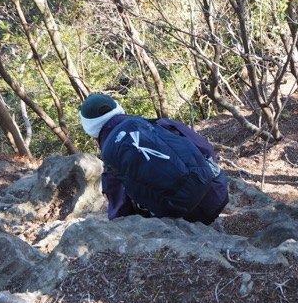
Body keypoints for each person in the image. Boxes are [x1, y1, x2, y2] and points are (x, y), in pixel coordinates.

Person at [80, 93, 229, 224]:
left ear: (90, 129)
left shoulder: (111, 161)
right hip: (217, 193)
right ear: (118, 109)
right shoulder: (156, 124)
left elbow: (120, 211)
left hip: (183, 217)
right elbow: (206, 149)